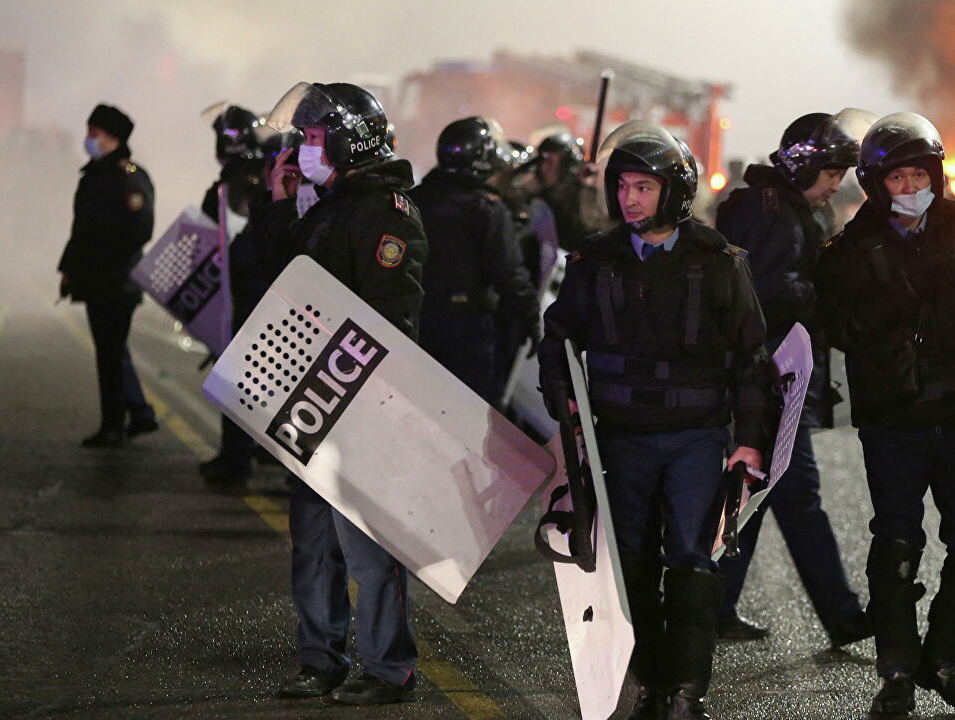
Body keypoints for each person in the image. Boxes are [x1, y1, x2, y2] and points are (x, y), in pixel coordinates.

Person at [539, 120, 772, 720]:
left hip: (697, 434)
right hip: (620, 437)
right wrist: (564, 404)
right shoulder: (596, 261)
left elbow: (753, 358)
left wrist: (749, 441)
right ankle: (653, 683)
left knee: (693, 561)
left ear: (674, 191)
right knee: (633, 565)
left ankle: (689, 690)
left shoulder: (718, 262)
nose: (629, 199)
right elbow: (559, 338)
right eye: (623, 187)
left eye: (644, 187)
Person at [815, 112, 955, 715]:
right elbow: (836, 324)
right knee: (897, 546)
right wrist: (897, 298)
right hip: (892, 421)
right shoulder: (850, 249)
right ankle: (896, 672)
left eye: (920, 174)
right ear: (875, 183)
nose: (911, 188)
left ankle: (941, 658)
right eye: (897, 179)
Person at [263, 82, 426, 706]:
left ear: (343, 138)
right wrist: (281, 207)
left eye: (309, 138)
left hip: (359, 402)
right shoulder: (327, 206)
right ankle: (319, 660)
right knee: (313, 543)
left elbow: (391, 315)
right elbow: (281, 282)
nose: (302, 151)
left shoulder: (385, 212)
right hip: (312, 399)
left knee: (364, 548)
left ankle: (389, 669)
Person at [713, 110, 875, 647]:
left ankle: (714, 605)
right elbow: (765, 295)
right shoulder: (775, 217)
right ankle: (844, 617)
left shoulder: (773, 209)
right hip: (771, 379)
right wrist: (826, 290)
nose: (836, 186)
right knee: (797, 495)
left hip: (769, 377)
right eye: (830, 174)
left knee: (760, 492)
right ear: (804, 166)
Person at [410, 116, 538, 403]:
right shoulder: (486, 209)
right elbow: (508, 273)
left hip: (415, 322)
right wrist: (530, 315)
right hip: (464, 331)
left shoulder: (415, 199)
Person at [57, 104, 158, 448]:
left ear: (113, 137)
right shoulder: (97, 175)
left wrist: (102, 262)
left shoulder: (127, 175)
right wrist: (70, 269)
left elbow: (139, 228)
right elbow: (82, 230)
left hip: (116, 281)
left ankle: (114, 425)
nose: (88, 139)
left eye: (93, 133)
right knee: (112, 350)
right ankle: (139, 413)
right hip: (99, 279)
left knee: (110, 354)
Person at [198, 104, 268, 484]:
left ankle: (235, 460)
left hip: (243, 294)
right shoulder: (265, 180)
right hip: (261, 291)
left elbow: (220, 244)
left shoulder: (232, 188)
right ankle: (252, 451)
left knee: (237, 379)